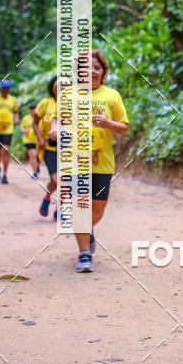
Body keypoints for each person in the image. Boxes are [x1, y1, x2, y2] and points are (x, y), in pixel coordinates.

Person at [58, 49, 129, 273]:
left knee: (97, 210)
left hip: (102, 162)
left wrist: (108, 123)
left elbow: (123, 128)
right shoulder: (69, 95)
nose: (92, 71)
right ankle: (84, 253)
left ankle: (87, 231)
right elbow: (59, 123)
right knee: (80, 207)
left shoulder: (112, 95)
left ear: (103, 71)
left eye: (97, 67)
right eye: (86, 67)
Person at [34, 76, 58, 219]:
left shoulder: (73, 104)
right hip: (49, 148)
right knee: (56, 179)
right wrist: (39, 138)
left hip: (68, 148)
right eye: (59, 87)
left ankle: (59, 209)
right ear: (54, 89)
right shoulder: (45, 103)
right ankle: (47, 198)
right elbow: (34, 123)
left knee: (65, 180)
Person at [20, 102, 39, 178]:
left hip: (38, 140)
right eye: (31, 109)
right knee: (33, 154)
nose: (33, 110)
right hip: (28, 140)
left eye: (34, 108)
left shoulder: (40, 117)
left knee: (38, 156)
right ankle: (35, 172)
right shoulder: (26, 118)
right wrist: (28, 131)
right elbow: (21, 129)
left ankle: (37, 167)